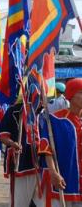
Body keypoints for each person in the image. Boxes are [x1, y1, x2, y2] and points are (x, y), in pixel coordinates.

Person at [38, 78, 82, 207]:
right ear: (71, 96)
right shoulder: (55, 120)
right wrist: (53, 172)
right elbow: (47, 148)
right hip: (64, 178)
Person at [0, 101, 41, 207]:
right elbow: (3, 136)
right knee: (19, 202)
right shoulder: (14, 111)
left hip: (42, 165)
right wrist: (13, 143)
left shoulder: (46, 112)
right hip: (21, 162)